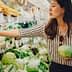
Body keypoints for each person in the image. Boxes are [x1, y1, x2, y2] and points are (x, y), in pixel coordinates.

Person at [0, 0, 72, 72]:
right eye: (50, 5)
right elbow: (20, 32)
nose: (50, 8)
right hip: (55, 68)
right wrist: (1, 32)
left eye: (53, 6)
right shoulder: (46, 28)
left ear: (63, 9)